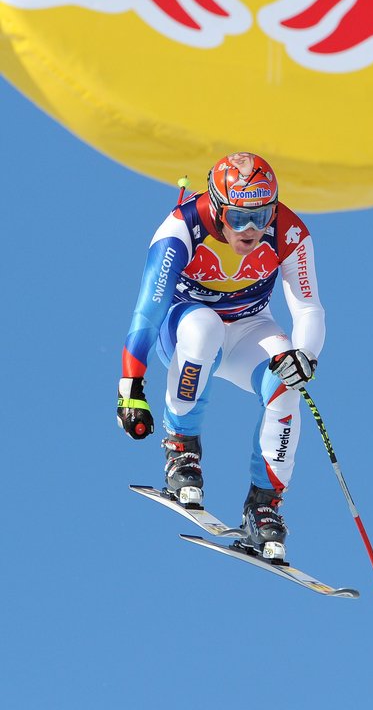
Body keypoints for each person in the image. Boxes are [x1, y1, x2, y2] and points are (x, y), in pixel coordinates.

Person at [117, 152, 325, 559]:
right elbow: (147, 311)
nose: (251, 230)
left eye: (261, 216)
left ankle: (263, 506)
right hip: (184, 327)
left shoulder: (289, 230)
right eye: (238, 218)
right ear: (216, 208)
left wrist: (305, 356)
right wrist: (131, 385)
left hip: (250, 328)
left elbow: (308, 308)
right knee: (204, 327)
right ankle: (181, 449)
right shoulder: (182, 227)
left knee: (287, 383)